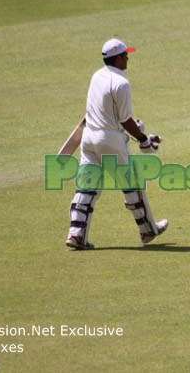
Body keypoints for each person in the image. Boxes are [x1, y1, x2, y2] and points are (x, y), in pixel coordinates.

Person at [65, 38, 168, 250]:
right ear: (118, 58)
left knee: (87, 188)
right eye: (125, 55)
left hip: (89, 138)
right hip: (110, 141)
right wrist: (143, 139)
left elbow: (104, 112)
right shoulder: (122, 83)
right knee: (132, 186)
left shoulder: (97, 75)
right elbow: (125, 120)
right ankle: (148, 230)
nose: (128, 58)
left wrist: (137, 132)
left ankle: (76, 235)